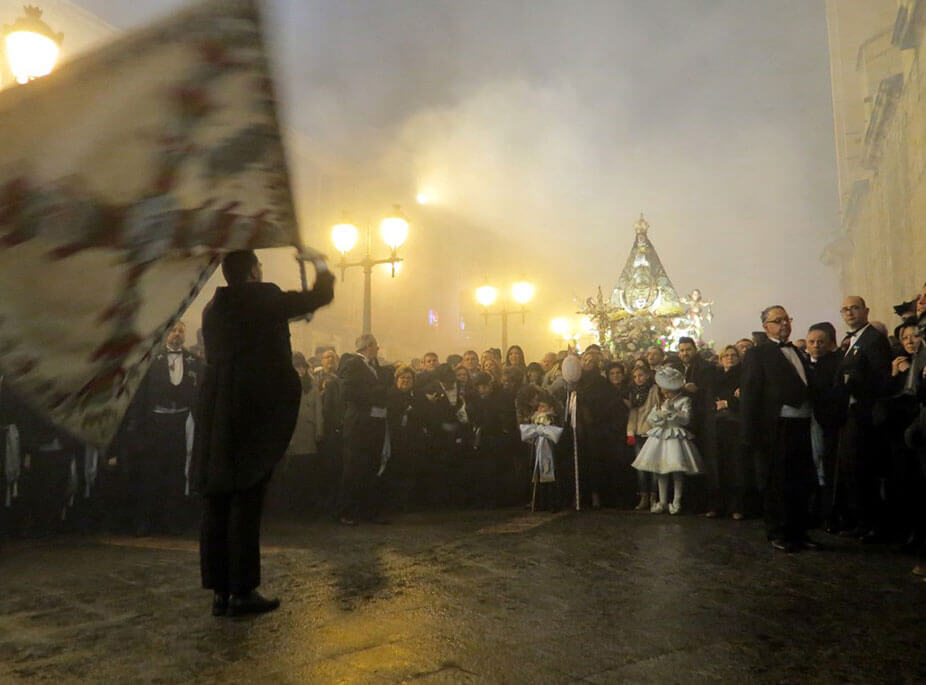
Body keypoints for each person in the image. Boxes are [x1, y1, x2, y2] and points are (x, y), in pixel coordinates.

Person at [192, 250, 334, 616]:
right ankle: (243, 591)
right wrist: (317, 264)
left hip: (217, 409)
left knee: (218, 498)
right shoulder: (263, 297)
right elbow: (317, 298)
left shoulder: (212, 309)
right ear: (254, 271)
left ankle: (219, 592)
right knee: (246, 498)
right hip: (250, 410)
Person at [740, 305, 817, 553]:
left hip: (802, 423)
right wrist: (749, 433)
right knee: (778, 482)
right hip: (775, 427)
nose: (784, 324)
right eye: (778, 320)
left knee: (801, 480)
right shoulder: (757, 354)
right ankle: (778, 532)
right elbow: (750, 394)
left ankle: (799, 531)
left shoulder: (797, 350)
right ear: (766, 327)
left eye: (787, 319)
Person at [124, 320, 201, 535]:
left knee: (176, 473)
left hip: (181, 422)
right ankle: (146, 521)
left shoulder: (194, 362)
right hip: (156, 423)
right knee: (151, 472)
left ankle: (172, 521)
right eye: (173, 331)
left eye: (180, 331)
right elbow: (140, 397)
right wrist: (137, 428)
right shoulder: (149, 361)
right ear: (165, 334)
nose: (176, 335)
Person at [832, 296, 893, 541]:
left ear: (866, 311)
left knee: (864, 470)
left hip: (865, 415)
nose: (849, 313)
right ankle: (862, 521)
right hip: (851, 414)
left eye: (854, 308)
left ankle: (874, 524)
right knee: (853, 471)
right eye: (845, 309)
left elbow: (881, 378)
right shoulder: (853, 341)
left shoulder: (873, 339)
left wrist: (853, 381)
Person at [631, 366, 703, 514]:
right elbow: (651, 418)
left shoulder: (684, 400)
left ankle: (676, 501)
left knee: (677, 470)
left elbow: (686, 419)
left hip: (675, 437)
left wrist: (672, 413)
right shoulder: (661, 401)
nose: (663, 391)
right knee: (661, 471)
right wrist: (660, 415)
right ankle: (662, 501)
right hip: (661, 437)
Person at [337, 334, 392, 525]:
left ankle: (367, 511)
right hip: (359, 425)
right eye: (376, 345)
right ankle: (348, 512)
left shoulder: (374, 366)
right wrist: (375, 394)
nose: (378, 348)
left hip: (373, 425)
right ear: (368, 346)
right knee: (354, 469)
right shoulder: (353, 364)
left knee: (370, 468)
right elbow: (347, 392)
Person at [704, 345, 747, 519]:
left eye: (733, 355)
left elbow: (745, 398)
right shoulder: (715, 377)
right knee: (717, 465)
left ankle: (737, 507)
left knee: (735, 466)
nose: (730, 358)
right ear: (721, 359)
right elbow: (709, 399)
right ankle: (717, 505)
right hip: (716, 425)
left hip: (735, 425)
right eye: (726, 355)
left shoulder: (743, 375)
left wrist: (728, 402)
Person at [627, 365, 660, 510]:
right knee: (640, 467)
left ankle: (654, 496)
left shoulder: (653, 390)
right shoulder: (633, 392)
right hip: (638, 433)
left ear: (647, 375)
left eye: (640, 375)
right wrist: (630, 433)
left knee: (653, 466)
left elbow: (658, 408)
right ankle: (644, 496)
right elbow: (632, 414)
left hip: (651, 432)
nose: (638, 379)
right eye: (635, 377)